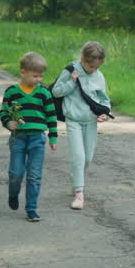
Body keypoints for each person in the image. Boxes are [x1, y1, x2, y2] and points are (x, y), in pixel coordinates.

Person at [50, 41, 111, 210]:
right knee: (78, 156)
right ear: (83, 59)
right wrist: (71, 82)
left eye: (96, 67)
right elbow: (56, 91)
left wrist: (104, 113)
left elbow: (104, 100)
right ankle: (79, 194)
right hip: (73, 120)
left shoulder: (99, 75)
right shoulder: (70, 70)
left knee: (88, 158)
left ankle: (77, 179)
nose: (92, 70)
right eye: (90, 66)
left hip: (91, 121)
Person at [0, 51, 58, 222]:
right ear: (23, 72)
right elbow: (3, 112)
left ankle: (31, 208)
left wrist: (53, 138)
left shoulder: (44, 93)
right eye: (35, 76)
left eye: (41, 76)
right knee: (16, 173)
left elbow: (52, 116)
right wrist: (8, 122)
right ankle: (13, 193)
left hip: (38, 138)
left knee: (34, 175)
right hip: (18, 138)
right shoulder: (11, 92)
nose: (39, 79)